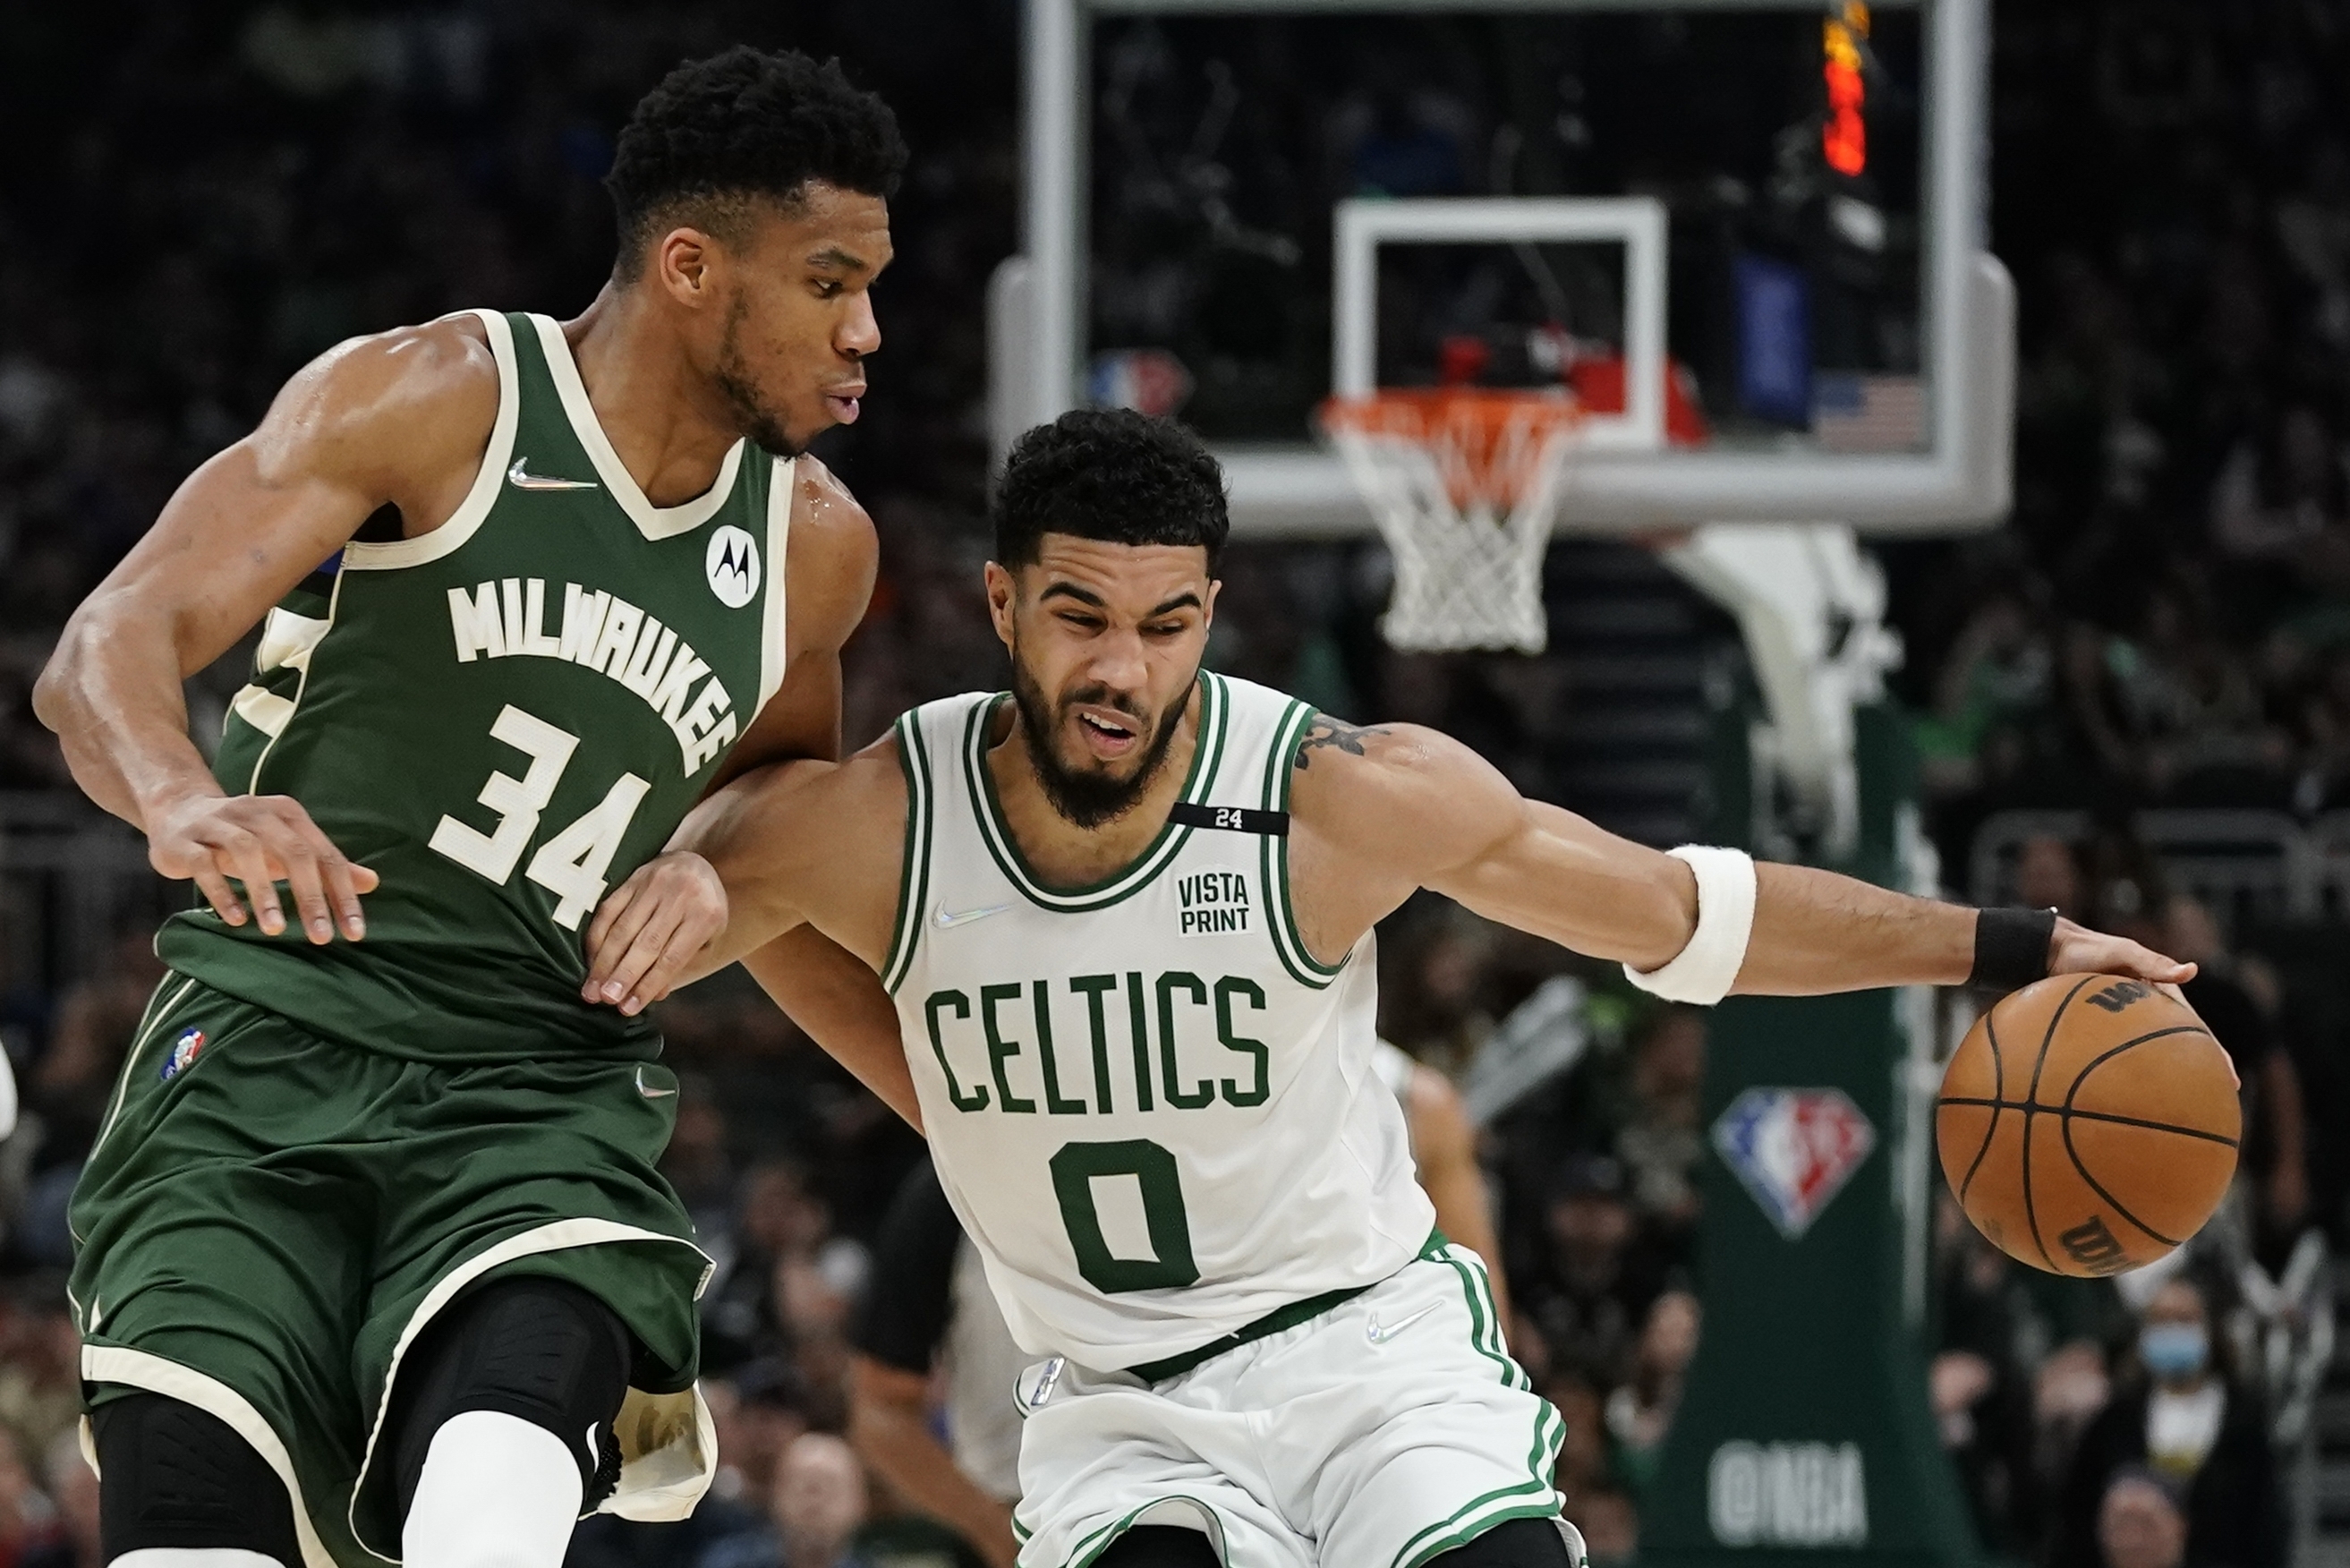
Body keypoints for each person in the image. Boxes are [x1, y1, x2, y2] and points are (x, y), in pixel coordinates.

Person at [592, 409, 2192, 1568]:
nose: (1117, 669)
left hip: (1367, 1364)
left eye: (1163, 623)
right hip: (1122, 1412)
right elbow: (657, 911)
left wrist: (2007, 944)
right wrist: (915, 1076)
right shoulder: (880, 816)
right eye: (1076, 615)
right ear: (1002, 604)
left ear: (1211, 617)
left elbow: (1678, 911)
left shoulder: (1336, 795)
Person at [31, 47, 907, 1568]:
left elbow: (777, 814)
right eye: (829, 281)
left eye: (874, 283)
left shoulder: (817, 545)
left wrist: (716, 876)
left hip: (531, 1091)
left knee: (483, 1520)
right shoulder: (439, 396)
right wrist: (178, 797)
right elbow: (111, 641)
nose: (867, 331)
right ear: (693, 268)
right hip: (264, 1053)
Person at [2052, 1276, 2286, 1568]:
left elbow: (2265, 1526)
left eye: (2184, 1319)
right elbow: (2076, 1517)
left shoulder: (2243, 1422)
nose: (2172, 1330)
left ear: (2210, 1329)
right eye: (2160, 1320)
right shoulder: (2115, 1420)